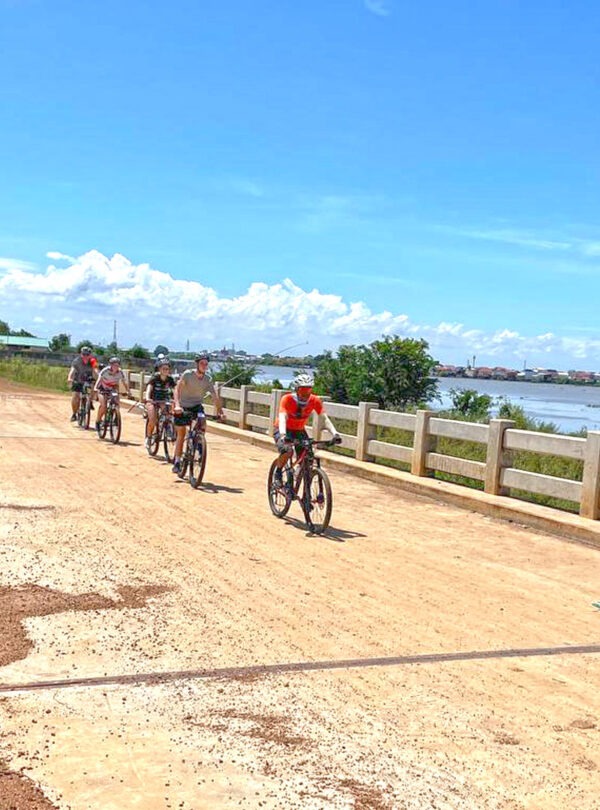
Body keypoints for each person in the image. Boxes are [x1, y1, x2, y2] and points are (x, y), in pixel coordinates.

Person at [272, 373, 340, 486]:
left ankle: (304, 491)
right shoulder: (287, 399)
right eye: (303, 390)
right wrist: (283, 435)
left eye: (309, 389)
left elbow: (324, 419)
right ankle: (278, 472)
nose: (306, 393)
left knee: (308, 457)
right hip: (283, 429)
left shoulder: (315, 400)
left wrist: (335, 433)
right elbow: (283, 417)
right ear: (297, 389)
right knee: (287, 450)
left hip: (299, 430)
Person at [171, 353, 225, 473]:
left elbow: (214, 397)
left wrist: (221, 412)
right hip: (183, 406)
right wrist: (177, 405)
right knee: (181, 433)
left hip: (196, 406)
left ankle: (199, 445)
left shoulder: (208, 379)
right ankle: (177, 461)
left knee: (202, 423)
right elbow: (177, 390)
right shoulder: (188, 375)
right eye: (202, 363)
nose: (204, 366)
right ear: (197, 364)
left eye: (206, 364)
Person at [94, 357, 133, 433]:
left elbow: (124, 382)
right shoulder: (105, 370)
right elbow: (99, 379)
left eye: (117, 365)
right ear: (111, 365)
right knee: (103, 405)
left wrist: (128, 391)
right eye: (114, 365)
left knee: (117, 401)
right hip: (103, 388)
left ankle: (115, 416)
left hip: (113, 388)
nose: (116, 366)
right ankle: (98, 421)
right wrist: (95, 388)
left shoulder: (120, 372)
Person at [144, 359, 176, 448]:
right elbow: (149, 387)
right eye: (164, 369)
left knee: (169, 413)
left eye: (167, 369)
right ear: (159, 369)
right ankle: (149, 437)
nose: (166, 370)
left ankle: (168, 427)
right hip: (153, 400)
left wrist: (176, 399)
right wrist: (147, 398)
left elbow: (174, 390)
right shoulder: (155, 377)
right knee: (153, 420)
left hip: (164, 399)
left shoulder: (170, 379)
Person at [67, 346, 98, 422]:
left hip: (88, 379)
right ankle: (74, 414)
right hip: (78, 380)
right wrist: (70, 378)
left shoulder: (93, 361)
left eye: (87, 354)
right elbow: (72, 370)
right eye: (84, 354)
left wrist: (98, 378)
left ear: (90, 355)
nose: (85, 356)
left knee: (93, 386)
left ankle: (89, 401)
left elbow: (95, 370)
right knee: (75, 396)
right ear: (81, 354)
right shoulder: (77, 361)